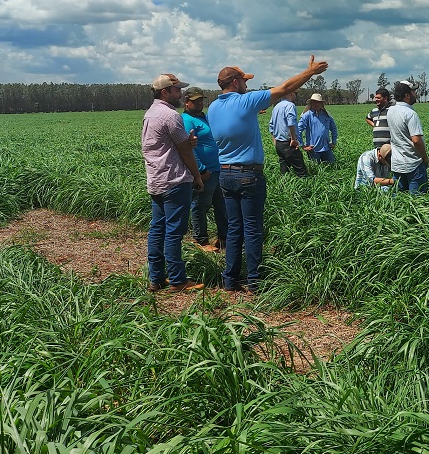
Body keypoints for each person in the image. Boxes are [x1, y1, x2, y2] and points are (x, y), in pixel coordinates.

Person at [205, 55, 329, 293]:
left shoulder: (214, 108)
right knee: (252, 228)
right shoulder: (245, 101)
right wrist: (310, 72)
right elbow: (286, 88)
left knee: (234, 228)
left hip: (225, 174)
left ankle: (230, 280)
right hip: (248, 175)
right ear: (234, 83)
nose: (247, 84)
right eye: (244, 80)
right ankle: (254, 282)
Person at [141, 73, 204, 292]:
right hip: (174, 179)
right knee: (174, 231)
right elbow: (184, 150)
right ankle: (178, 280)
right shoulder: (170, 115)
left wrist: (189, 142)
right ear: (165, 92)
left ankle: (155, 278)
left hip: (156, 179)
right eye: (177, 90)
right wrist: (196, 175)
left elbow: (171, 144)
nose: (180, 94)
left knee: (157, 229)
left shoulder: (150, 114)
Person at [181, 86, 228, 250]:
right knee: (201, 205)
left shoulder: (204, 117)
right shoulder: (187, 120)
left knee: (221, 205)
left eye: (201, 100)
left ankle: (224, 238)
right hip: (205, 172)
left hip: (216, 169)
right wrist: (200, 170)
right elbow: (188, 148)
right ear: (187, 103)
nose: (200, 103)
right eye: (195, 101)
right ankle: (201, 240)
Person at [387, 79, 429, 193]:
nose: (415, 95)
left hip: (397, 163)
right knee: (417, 200)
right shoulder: (410, 114)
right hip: (413, 163)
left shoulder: (390, 111)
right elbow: (416, 140)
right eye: (413, 92)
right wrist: (425, 158)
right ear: (407, 95)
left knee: (399, 199)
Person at [267, 88, 308, 176]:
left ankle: (283, 186)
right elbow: (291, 122)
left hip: (279, 143)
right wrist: (293, 138)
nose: (295, 96)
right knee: (301, 169)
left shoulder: (276, 106)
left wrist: (274, 140)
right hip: (289, 142)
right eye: (295, 93)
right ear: (290, 93)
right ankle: (304, 188)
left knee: (284, 169)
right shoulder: (290, 105)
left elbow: (271, 125)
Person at [298, 93, 338, 164]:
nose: (316, 104)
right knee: (316, 170)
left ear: (321, 104)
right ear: (311, 103)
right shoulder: (306, 116)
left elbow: (334, 128)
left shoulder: (327, 115)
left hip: (326, 148)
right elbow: (298, 130)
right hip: (313, 149)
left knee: (332, 166)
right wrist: (303, 146)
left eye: (318, 102)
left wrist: (334, 142)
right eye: (314, 102)